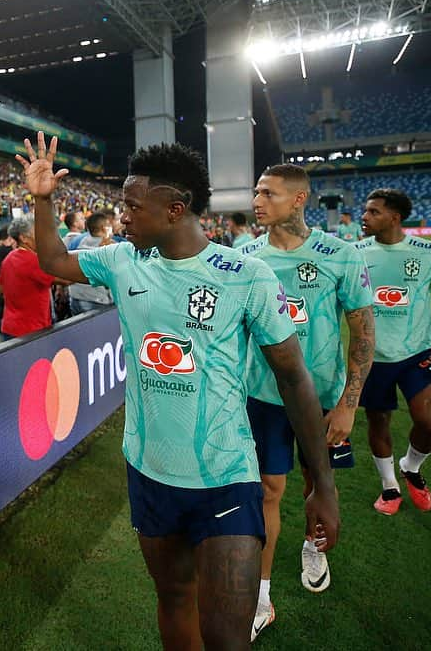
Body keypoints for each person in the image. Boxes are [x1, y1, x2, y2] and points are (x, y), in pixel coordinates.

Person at [19, 132, 339, 650]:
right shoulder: (124, 261)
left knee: (227, 638)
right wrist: (42, 199)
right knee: (172, 598)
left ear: (174, 209)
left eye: (130, 207)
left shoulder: (247, 276)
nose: (121, 218)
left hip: (227, 476)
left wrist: (322, 484)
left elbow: (294, 378)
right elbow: (53, 261)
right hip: (149, 471)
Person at [241, 163, 374, 638]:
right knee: (267, 491)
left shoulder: (340, 255)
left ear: (299, 199)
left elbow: (362, 331)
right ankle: (260, 596)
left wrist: (348, 404)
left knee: (314, 481)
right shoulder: (244, 253)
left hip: (322, 398)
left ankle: (312, 545)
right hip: (262, 396)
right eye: (256, 192)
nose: (257, 201)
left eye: (267, 193)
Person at [356, 188, 431, 515]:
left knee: (429, 422)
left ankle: (412, 467)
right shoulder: (354, 252)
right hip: (373, 357)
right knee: (378, 421)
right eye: (366, 210)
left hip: (416, 353)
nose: (365, 216)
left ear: (394, 217)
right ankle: (390, 487)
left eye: (374, 212)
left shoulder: (428, 251)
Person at [0, 215, 63, 340]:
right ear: (24, 238)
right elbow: (66, 279)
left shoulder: (10, 257)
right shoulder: (32, 260)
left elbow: (0, 288)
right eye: (37, 232)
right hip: (31, 330)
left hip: (12, 326)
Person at [67, 212, 114, 315]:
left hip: (76, 297)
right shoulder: (110, 249)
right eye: (109, 225)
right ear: (104, 228)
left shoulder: (78, 242)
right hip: (97, 300)